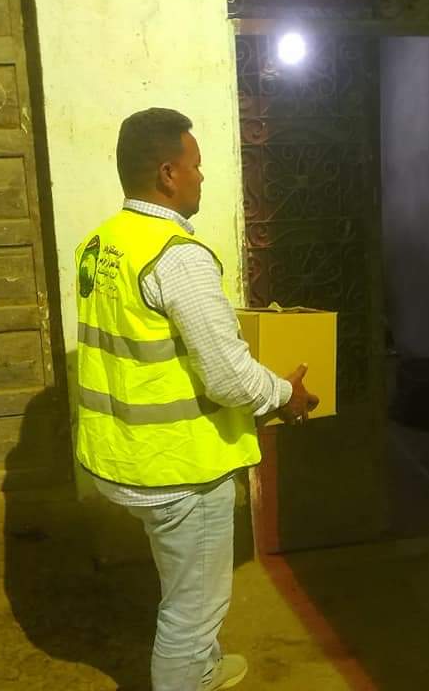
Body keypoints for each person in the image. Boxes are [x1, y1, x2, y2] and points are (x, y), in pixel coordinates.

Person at [74, 107, 318, 691]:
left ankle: (202, 670)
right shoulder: (177, 256)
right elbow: (229, 378)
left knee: (181, 583)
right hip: (180, 468)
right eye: (197, 165)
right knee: (192, 610)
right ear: (168, 173)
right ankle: (188, 675)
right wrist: (286, 394)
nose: (202, 176)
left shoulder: (101, 243)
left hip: (123, 456)